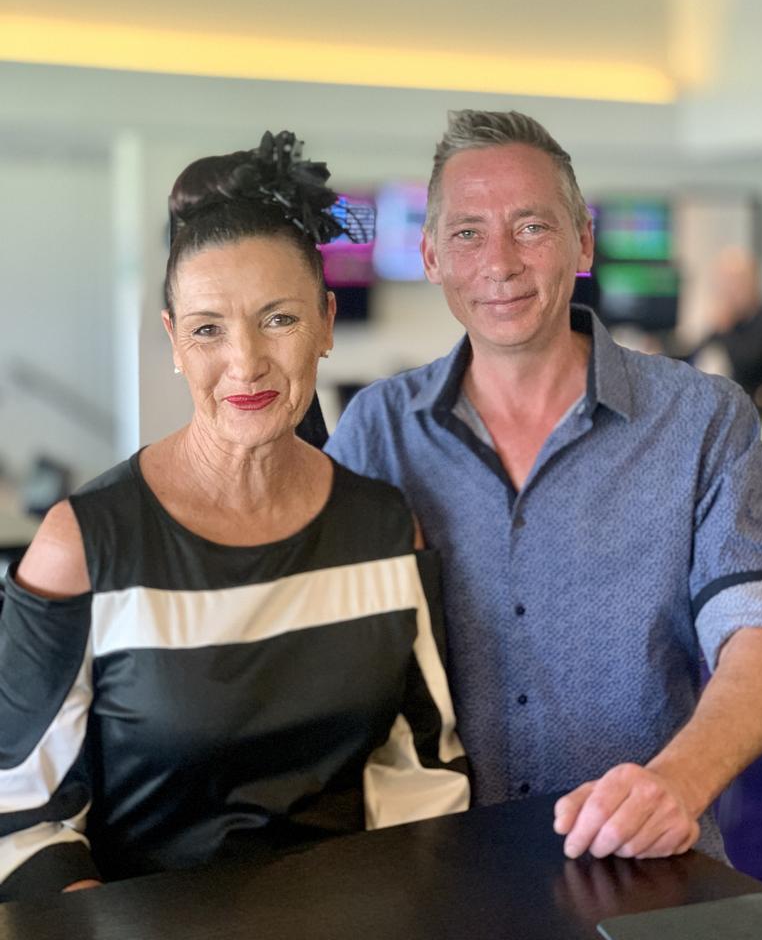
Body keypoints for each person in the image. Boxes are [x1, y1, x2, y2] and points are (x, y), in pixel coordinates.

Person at [0, 131, 468, 902]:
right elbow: (21, 814)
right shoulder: (84, 545)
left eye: (278, 319)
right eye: (209, 328)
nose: (245, 362)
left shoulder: (385, 531)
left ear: (324, 322)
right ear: (174, 342)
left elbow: (419, 776)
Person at [326, 110, 762, 862]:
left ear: (583, 243)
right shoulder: (378, 431)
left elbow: (754, 637)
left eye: (531, 226)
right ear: (431, 256)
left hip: (646, 866)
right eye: (467, 233)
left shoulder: (701, 419)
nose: (500, 262)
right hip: (436, 873)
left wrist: (676, 783)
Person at [692, 245, 762, 405]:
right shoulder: (731, 322)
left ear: (753, 283)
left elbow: (747, 366)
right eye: (723, 284)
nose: (728, 292)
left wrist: (725, 329)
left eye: (735, 283)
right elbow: (696, 354)